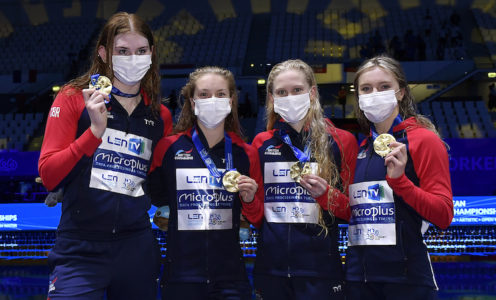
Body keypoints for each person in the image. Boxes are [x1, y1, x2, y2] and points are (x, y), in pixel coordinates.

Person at [38, 12, 172, 300]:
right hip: (79, 249)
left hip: (136, 248)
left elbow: (156, 180)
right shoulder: (74, 97)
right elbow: (49, 175)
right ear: (103, 53)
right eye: (122, 51)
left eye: (140, 51)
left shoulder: (160, 116)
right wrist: (94, 132)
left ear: (151, 54)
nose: (132, 58)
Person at [148, 66, 264, 300]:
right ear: (192, 102)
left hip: (231, 278)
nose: (213, 100)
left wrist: (250, 199)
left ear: (231, 101)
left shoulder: (246, 153)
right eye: (204, 94)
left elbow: (258, 217)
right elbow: (155, 196)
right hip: (181, 276)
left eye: (221, 94)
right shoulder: (168, 148)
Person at [346, 55, 453, 300]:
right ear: (359, 97)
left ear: (401, 92)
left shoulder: (424, 140)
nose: (375, 93)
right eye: (366, 88)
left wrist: (401, 183)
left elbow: (444, 215)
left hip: (407, 281)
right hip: (359, 280)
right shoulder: (362, 147)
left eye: (384, 87)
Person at [251, 59, 358, 299]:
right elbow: (257, 216)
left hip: (321, 271)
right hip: (271, 271)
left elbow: (354, 211)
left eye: (297, 90)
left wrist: (327, 195)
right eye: (282, 92)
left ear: (312, 93)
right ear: (272, 99)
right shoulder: (261, 143)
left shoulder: (342, 141)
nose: (290, 97)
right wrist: (248, 200)